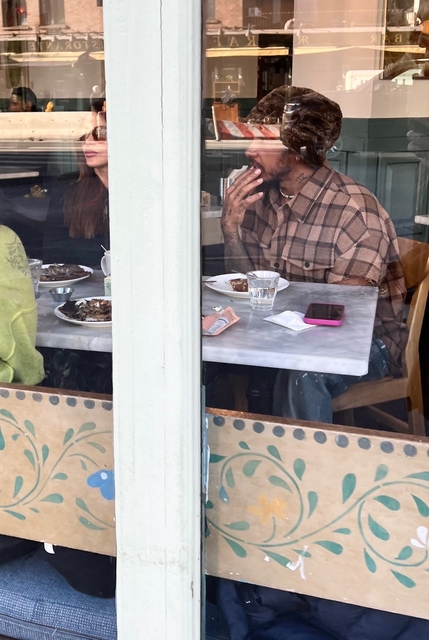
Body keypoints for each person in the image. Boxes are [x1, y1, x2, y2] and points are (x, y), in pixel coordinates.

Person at [221, 85, 407, 423]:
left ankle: (300, 455)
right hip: (280, 335)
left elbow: (345, 318)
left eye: (262, 139)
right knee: (198, 353)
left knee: (302, 373)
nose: (249, 150)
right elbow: (243, 284)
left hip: (368, 343)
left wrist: (274, 327)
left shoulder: (353, 210)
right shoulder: (261, 200)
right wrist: (231, 229)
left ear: (297, 150)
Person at [42, 109, 108, 268]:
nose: (88, 142)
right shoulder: (67, 187)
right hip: (81, 280)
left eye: (100, 133)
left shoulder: (139, 190)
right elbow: (52, 252)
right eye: (83, 135)